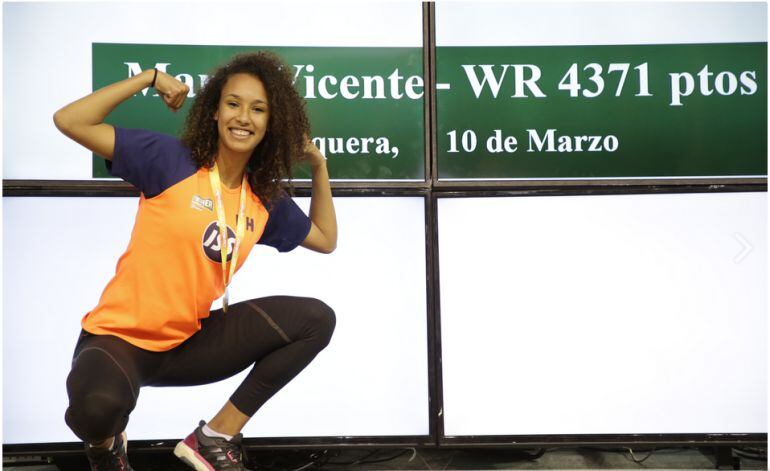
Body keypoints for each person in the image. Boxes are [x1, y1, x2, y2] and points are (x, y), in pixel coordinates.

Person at [53, 51, 337, 471]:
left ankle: (214, 438)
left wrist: (319, 166)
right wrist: (148, 78)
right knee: (95, 410)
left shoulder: (264, 199)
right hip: (119, 341)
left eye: (258, 109)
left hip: (189, 344)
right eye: (233, 103)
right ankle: (106, 447)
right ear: (215, 112)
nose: (244, 117)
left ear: (271, 123)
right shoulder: (170, 160)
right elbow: (70, 120)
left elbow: (326, 239)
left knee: (316, 319)